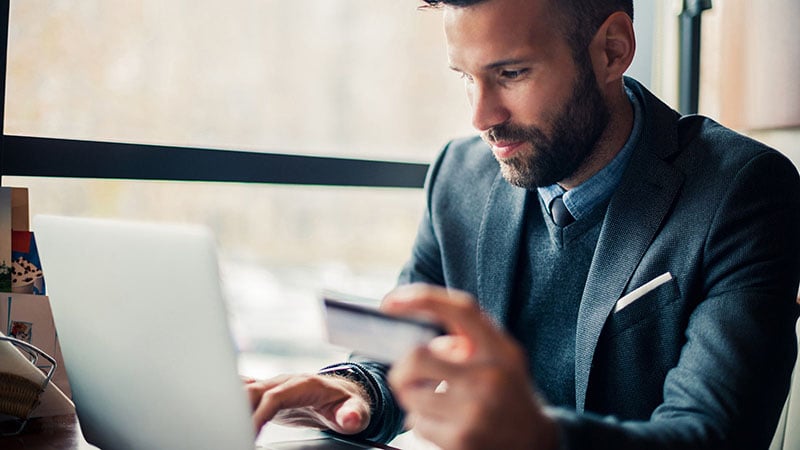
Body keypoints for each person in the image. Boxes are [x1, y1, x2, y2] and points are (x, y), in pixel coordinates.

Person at [245, 0, 800, 448]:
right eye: (466, 76)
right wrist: (350, 390)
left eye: (511, 73)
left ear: (612, 51)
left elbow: (708, 435)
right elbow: (406, 345)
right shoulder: (458, 177)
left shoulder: (743, 189)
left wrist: (533, 436)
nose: (481, 117)